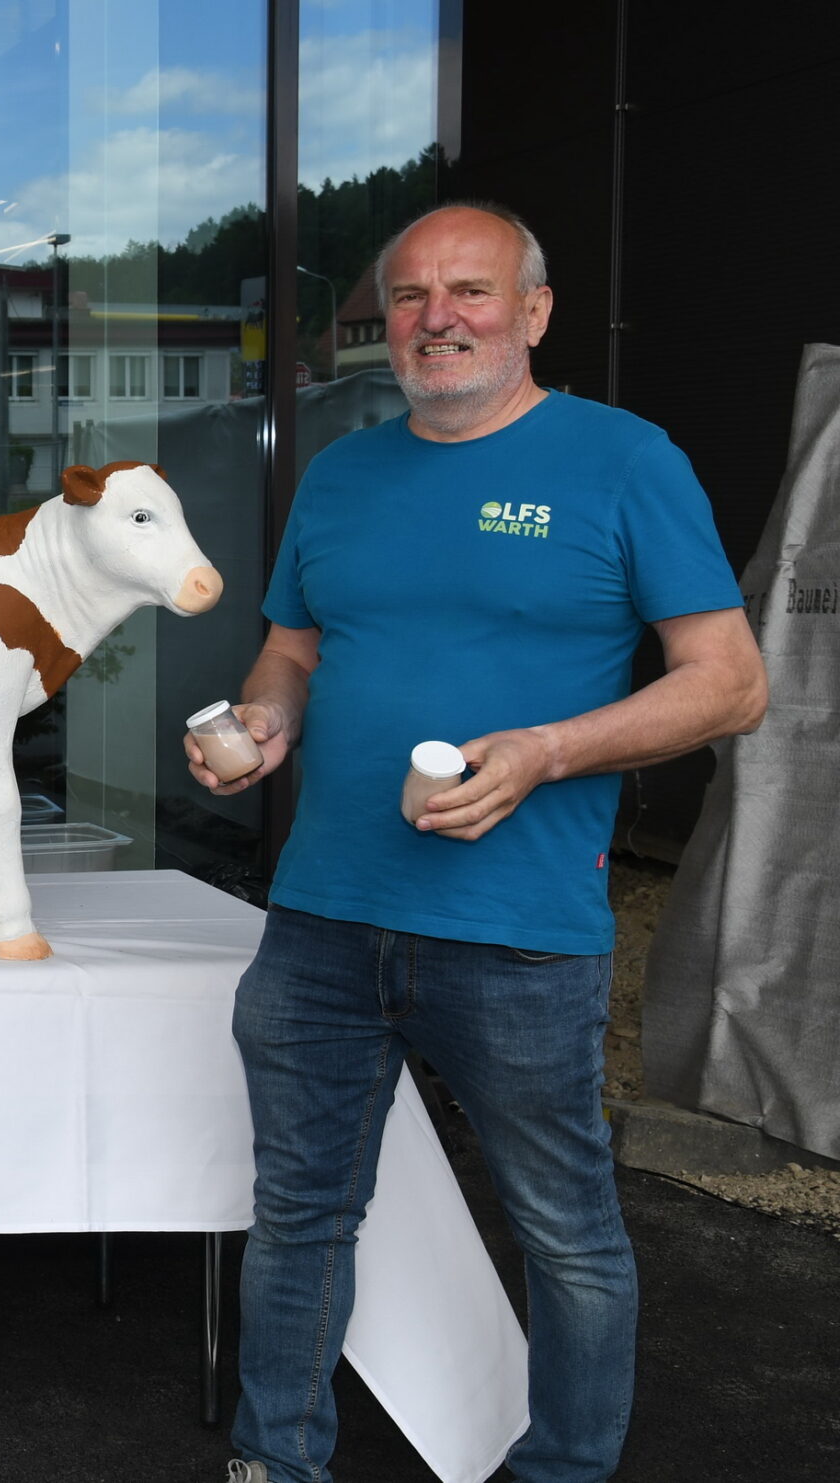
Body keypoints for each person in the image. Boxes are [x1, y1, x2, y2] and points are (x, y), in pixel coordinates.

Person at [189, 205, 767, 1483]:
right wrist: (261, 720)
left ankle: (559, 1469)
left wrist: (544, 752)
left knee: (564, 1232)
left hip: (514, 935)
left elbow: (729, 682)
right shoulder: (340, 472)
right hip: (322, 917)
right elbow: (293, 648)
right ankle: (272, 1462)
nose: (434, 317)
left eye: (468, 291)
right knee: (296, 1217)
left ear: (535, 313)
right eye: (406, 297)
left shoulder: (626, 463)